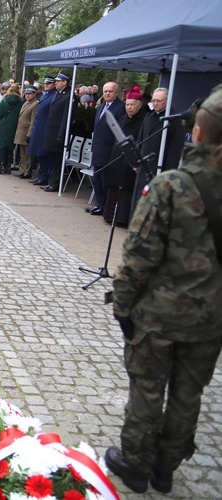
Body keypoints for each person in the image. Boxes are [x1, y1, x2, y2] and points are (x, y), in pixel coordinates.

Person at [104, 86, 222, 495]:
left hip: (160, 315)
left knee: (148, 388)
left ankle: (135, 464)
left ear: (200, 133)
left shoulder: (174, 186)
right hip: (210, 320)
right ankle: (166, 468)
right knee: (189, 394)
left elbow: (138, 257)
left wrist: (122, 306)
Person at [129, 87, 187, 219]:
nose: (155, 103)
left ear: (167, 100)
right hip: (143, 163)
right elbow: (141, 139)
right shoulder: (149, 116)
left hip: (159, 167)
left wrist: (168, 172)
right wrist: (135, 161)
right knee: (139, 196)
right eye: (153, 100)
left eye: (158, 101)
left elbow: (175, 149)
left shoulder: (174, 120)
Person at [102, 86, 147, 225]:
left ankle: (121, 218)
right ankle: (109, 215)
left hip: (130, 159)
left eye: (132, 105)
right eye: (127, 104)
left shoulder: (143, 121)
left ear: (139, 106)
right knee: (113, 187)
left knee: (126, 190)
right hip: (116, 157)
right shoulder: (122, 118)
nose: (129, 107)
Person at [85, 82, 125, 215]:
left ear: (116, 93)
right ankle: (99, 202)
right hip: (97, 149)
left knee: (105, 180)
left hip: (109, 151)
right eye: (105, 91)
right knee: (97, 179)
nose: (107, 93)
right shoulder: (101, 106)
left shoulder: (120, 108)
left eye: (110, 91)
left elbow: (118, 131)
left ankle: (105, 206)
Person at [41, 73, 73, 192]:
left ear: (65, 82)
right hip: (52, 132)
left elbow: (66, 117)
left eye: (58, 81)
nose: (56, 83)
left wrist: (61, 134)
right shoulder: (59, 94)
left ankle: (56, 183)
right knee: (53, 160)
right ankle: (52, 181)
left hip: (59, 133)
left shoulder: (68, 96)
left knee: (58, 161)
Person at [28, 76, 57, 186]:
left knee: (44, 155)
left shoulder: (53, 96)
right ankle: (41, 175)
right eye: (46, 83)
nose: (47, 85)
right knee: (39, 155)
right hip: (39, 127)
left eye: (49, 83)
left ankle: (44, 176)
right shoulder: (46, 94)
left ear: (53, 84)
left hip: (44, 128)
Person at [0, 83, 23, 175]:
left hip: (4, 124)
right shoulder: (20, 102)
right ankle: (8, 166)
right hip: (14, 125)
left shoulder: (4, 100)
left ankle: (1, 166)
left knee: (1, 145)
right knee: (10, 146)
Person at [14, 86, 39, 179]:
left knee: (28, 154)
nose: (27, 96)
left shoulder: (35, 104)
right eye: (26, 94)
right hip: (21, 131)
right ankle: (23, 170)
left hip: (26, 131)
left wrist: (29, 134)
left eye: (29, 94)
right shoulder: (25, 103)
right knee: (22, 153)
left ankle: (27, 171)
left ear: (34, 94)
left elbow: (33, 120)